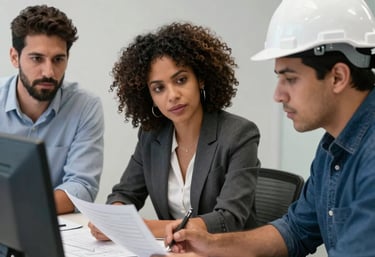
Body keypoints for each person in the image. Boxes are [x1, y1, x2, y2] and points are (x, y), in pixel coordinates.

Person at [160, 0, 375, 256]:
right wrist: (211, 245)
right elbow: (294, 230)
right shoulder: (331, 147)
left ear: (338, 77)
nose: (278, 94)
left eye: (290, 79)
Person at [88, 22, 260, 239]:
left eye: (181, 80)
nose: (172, 95)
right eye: (159, 88)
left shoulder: (239, 134)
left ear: (201, 79)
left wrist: (144, 229)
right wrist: (113, 218)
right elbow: (125, 193)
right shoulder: (152, 136)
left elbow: (228, 219)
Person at [0, 5, 104, 214]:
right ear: (14, 57)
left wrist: (17, 210)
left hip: (53, 228)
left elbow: (82, 186)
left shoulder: (85, 106)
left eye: (58, 59)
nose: (49, 72)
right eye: (37, 58)